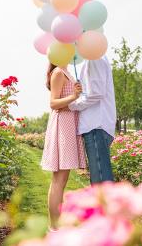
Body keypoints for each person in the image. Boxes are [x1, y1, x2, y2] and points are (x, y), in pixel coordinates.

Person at [41, 63, 86, 230]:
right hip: (62, 126)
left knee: (62, 179)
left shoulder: (67, 71)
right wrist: (74, 96)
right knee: (58, 180)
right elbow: (53, 103)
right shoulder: (58, 72)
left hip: (68, 125)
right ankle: (54, 227)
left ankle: (56, 225)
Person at [69, 55, 116, 184]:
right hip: (97, 126)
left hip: (96, 125)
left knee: (100, 182)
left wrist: (72, 105)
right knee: (99, 179)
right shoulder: (95, 57)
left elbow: (96, 93)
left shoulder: (94, 57)